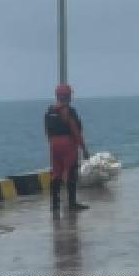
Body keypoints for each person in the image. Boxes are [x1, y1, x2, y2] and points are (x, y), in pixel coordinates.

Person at [44, 84, 90, 212]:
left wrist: (51, 143)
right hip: (68, 144)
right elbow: (76, 131)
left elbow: (47, 130)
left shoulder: (49, 111)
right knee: (71, 172)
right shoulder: (69, 111)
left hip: (54, 144)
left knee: (56, 174)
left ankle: (54, 204)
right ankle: (72, 203)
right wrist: (84, 148)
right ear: (68, 96)